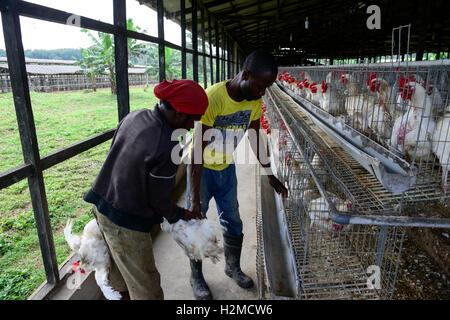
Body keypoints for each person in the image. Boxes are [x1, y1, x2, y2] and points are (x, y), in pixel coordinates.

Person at [83, 79, 208, 300]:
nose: (191, 127)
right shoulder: (166, 146)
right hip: (125, 224)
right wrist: (182, 214)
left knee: (121, 276)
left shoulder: (136, 116)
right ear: (180, 114)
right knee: (146, 288)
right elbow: (158, 201)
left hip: (102, 206)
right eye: (192, 120)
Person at [187, 50, 288, 300]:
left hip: (226, 169)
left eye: (267, 87)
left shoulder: (254, 100)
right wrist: (195, 198)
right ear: (245, 75)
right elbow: (197, 152)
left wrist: (269, 173)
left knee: (233, 222)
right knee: (195, 224)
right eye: (260, 86)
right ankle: (196, 276)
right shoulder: (214, 98)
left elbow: (254, 137)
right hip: (202, 170)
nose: (263, 92)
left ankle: (232, 267)